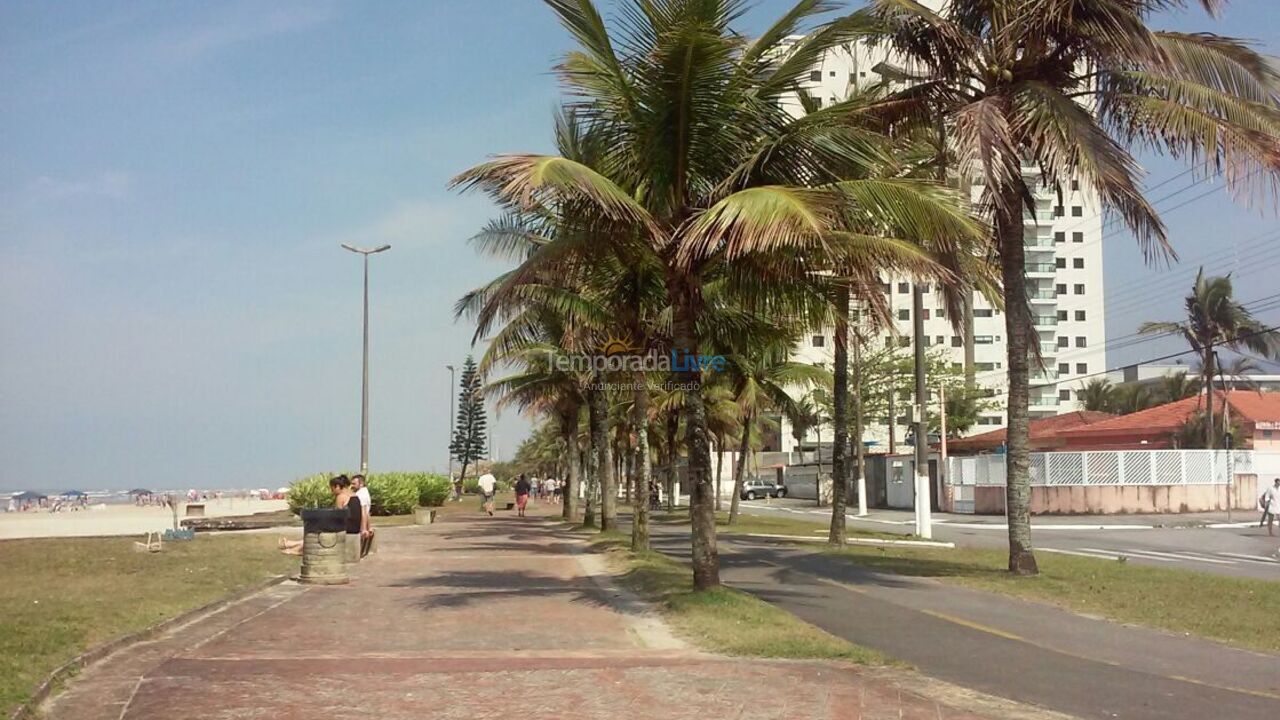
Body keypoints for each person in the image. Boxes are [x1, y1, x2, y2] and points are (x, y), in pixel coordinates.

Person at [351, 474, 374, 557]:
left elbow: (364, 513)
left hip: (360, 525)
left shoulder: (361, 496)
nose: (352, 486)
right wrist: (369, 527)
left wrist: (364, 529)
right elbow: (368, 513)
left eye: (354, 484)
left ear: (361, 484)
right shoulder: (365, 493)